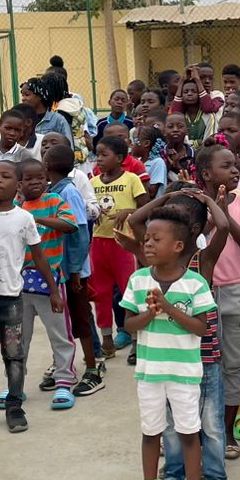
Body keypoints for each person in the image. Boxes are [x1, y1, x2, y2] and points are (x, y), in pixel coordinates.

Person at [121, 206, 215, 480]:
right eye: (146, 238)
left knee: (188, 432)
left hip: (183, 372)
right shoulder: (138, 280)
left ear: (177, 246)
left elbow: (202, 328)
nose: (147, 244)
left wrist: (168, 307)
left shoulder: (195, 283)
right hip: (149, 371)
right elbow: (129, 325)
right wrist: (149, 313)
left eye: (155, 239)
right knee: (151, 432)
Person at [0, 160, 54, 436]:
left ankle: (15, 406)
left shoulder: (24, 218)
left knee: (15, 356)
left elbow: (39, 257)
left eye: (5, 176)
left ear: (17, 185)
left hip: (10, 299)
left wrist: (54, 290)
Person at [193, 142, 240, 461]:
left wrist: (227, 215)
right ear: (206, 174)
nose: (235, 170)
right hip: (199, 293)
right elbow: (190, 242)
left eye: (235, 164)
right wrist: (212, 210)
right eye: (226, 166)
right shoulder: (192, 203)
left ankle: (226, 429)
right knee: (201, 364)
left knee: (235, 363)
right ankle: (196, 430)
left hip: (236, 290)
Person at [40, 139, 104, 398]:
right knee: (61, 321)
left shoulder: (68, 192)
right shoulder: (52, 191)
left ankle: (93, 369)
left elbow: (79, 233)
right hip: (60, 270)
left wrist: (76, 270)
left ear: (47, 166)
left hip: (73, 271)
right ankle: (64, 366)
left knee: (81, 319)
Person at [17, 156, 79, 411]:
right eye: (28, 178)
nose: (35, 182)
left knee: (59, 334)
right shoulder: (15, 206)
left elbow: (70, 225)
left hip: (50, 281)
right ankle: (15, 384)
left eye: (40, 177)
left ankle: (64, 380)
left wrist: (38, 220)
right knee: (19, 337)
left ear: (47, 179)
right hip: (19, 284)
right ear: (19, 183)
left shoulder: (54, 201)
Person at [88, 134, 147, 358]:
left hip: (124, 243)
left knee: (129, 291)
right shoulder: (93, 182)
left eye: (104, 155)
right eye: (97, 155)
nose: (99, 159)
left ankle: (136, 341)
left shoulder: (131, 179)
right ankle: (107, 340)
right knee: (101, 293)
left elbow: (146, 207)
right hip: (98, 242)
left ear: (120, 158)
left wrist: (128, 211)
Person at [19, 72, 73, 146]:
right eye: (22, 95)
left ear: (40, 96)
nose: (23, 98)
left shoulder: (57, 120)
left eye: (27, 95)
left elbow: (68, 145)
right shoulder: (22, 119)